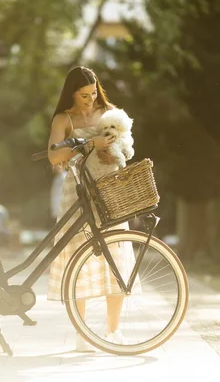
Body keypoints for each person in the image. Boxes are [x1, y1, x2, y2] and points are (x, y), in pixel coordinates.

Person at [46, 66, 136, 352]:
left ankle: (113, 331)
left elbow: (126, 140)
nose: (90, 99)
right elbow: (54, 154)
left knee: (115, 256)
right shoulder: (64, 119)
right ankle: (82, 332)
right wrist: (88, 144)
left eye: (94, 92)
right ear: (71, 93)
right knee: (77, 259)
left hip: (110, 189)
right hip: (77, 191)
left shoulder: (108, 113)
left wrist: (112, 148)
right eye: (84, 95)